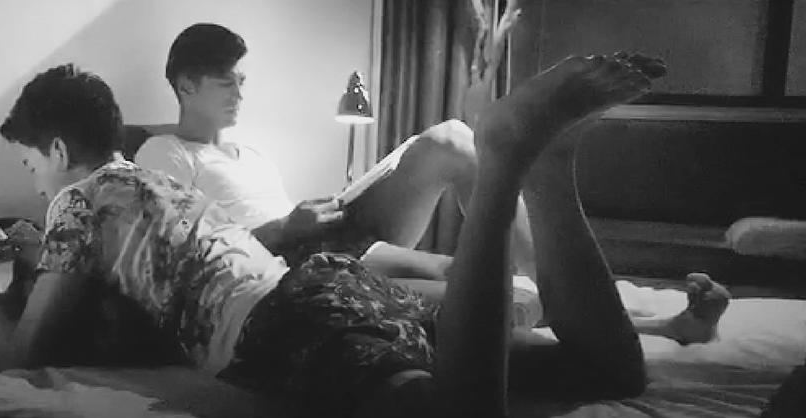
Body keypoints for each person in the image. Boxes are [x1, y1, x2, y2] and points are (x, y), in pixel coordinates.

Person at [0, 53, 691, 418]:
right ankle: (551, 168)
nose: (36, 184)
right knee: (608, 371)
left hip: (282, 324)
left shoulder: (77, 204)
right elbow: (118, 293)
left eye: (30, 165)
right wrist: (35, 258)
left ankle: (507, 157)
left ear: (58, 151)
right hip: (325, 287)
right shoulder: (143, 181)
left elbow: (24, 354)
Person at [135, 22, 729, 343]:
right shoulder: (161, 152)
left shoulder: (252, 151)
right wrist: (287, 226)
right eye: (226, 83)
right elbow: (183, 252)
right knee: (487, 287)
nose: (240, 94)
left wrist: (307, 215)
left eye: (242, 81)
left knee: (452, 152)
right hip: (283, 262)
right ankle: (662, 326)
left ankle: (595, 294)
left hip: (326, 238)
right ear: (186, 85)